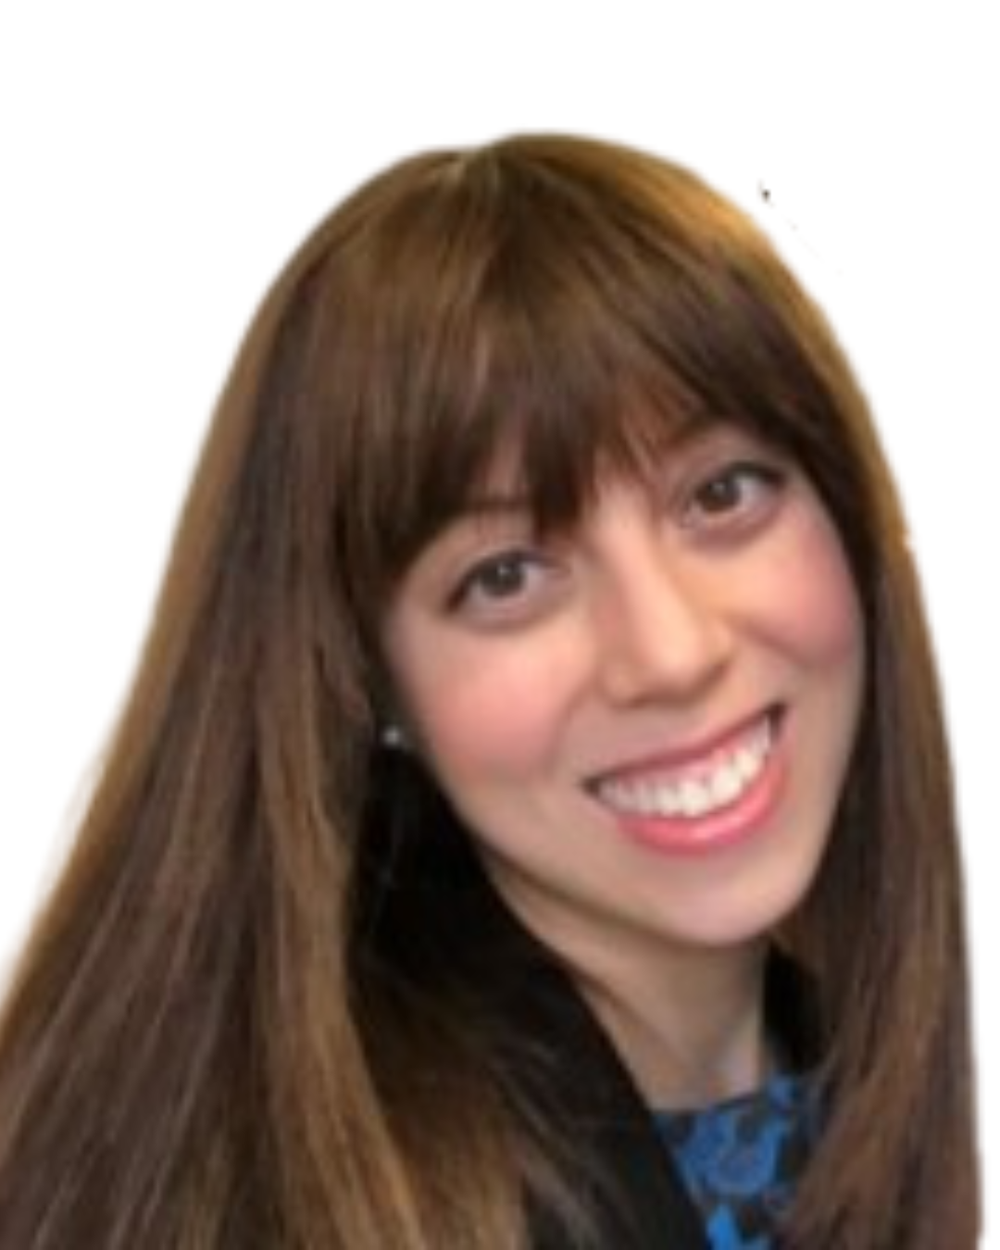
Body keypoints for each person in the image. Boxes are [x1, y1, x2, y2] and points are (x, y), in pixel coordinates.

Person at [0, 135, 979, 1249]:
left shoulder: (845, 1097)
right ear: (370, 682)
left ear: (853, 521)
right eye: (506, 574)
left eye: (722, 493)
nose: (666, 651)